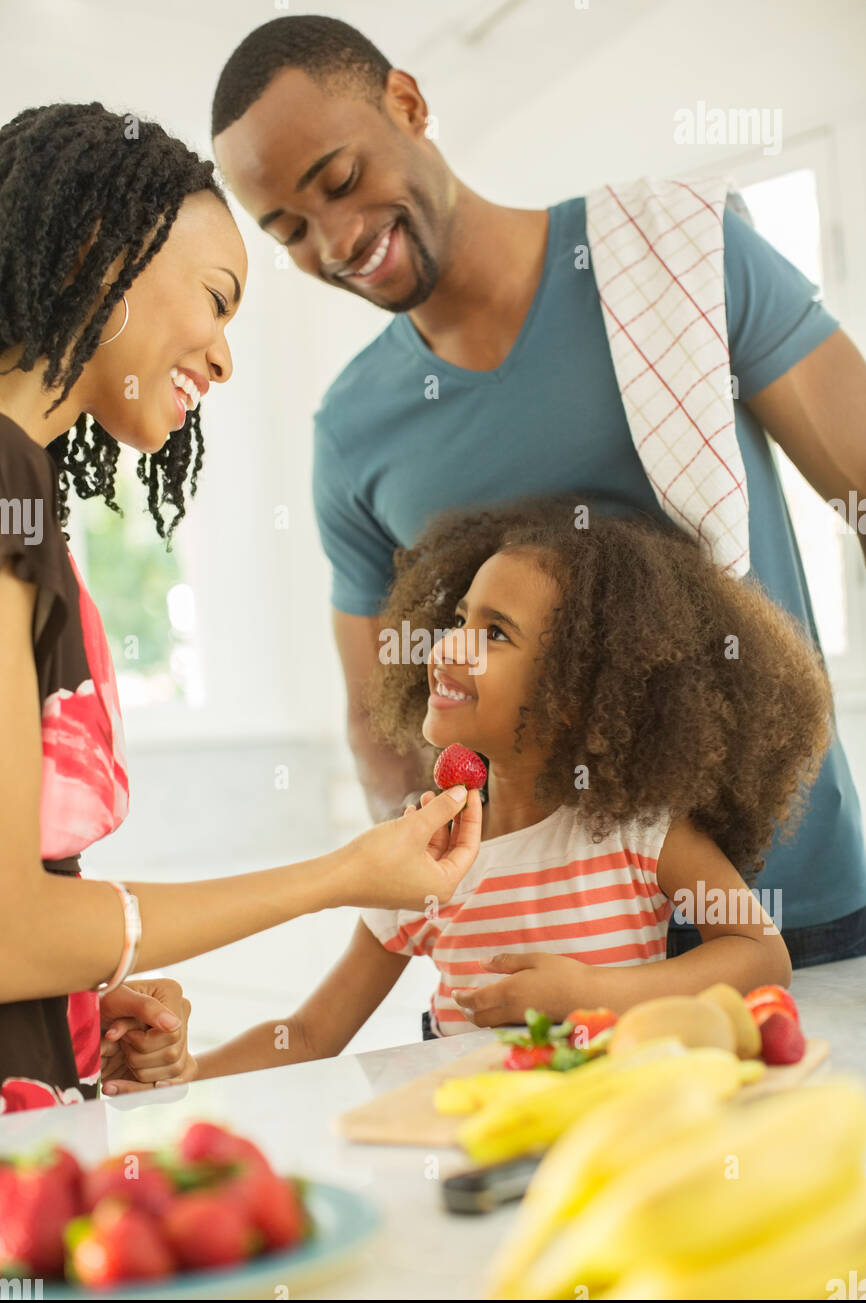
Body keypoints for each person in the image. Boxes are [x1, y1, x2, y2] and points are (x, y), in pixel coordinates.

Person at [210, 14, 866, 969]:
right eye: (289, 232)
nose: (338, 240)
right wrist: (437, 915)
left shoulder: (675, 258)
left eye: (341, 181)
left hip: (789, 899)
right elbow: (380, 721)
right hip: (545, 950)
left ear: (408, 101)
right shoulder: (354, 432)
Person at [0, 102, 481, 1113]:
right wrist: (344, 873)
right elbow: (7, 929)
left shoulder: (28, 488)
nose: (222, 359)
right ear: (98, 248)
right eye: (215, 301)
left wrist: (78, 1007)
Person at [190, 494, 833, 1076]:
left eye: (494, 633)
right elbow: (308, 1034)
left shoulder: (639, 832)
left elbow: (759, 954)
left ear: (574, 695)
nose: (446, 649)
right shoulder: (421, 857)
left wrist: (589, 996)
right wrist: (182, 1079)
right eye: (461, 619)